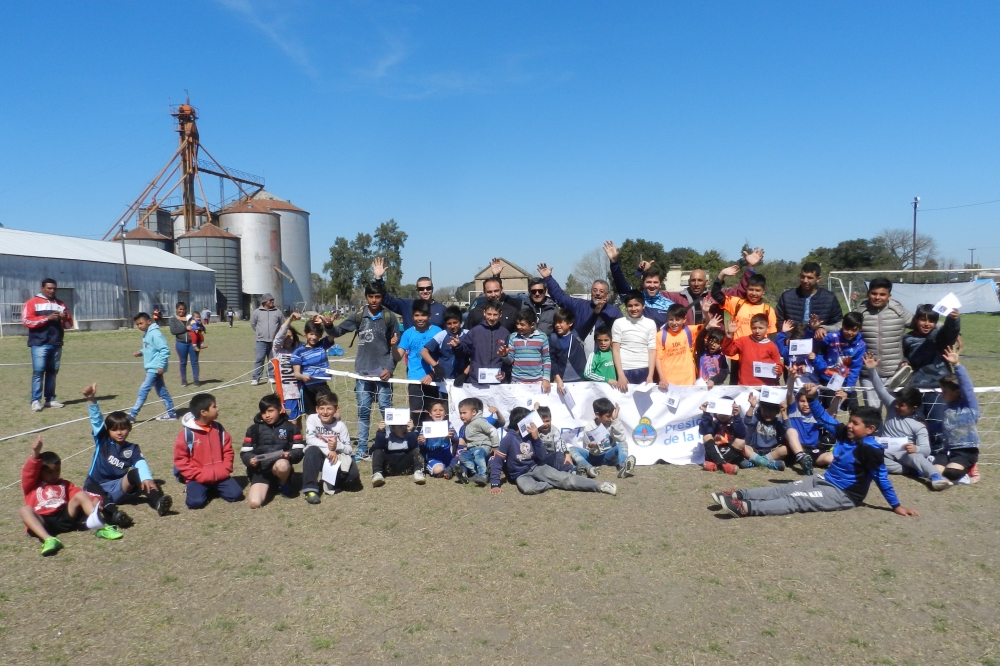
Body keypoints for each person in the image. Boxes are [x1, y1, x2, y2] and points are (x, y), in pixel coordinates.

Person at [714, 406, 919, 519]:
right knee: (783, 489)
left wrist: (896, 506)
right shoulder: (847, 435)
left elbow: (882, 478)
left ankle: (745, 508)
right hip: (825, 480)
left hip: (844, 494)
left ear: (870, 429)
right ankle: (737, 495)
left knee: (797, 500)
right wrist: (812, 398)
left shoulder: (870, 450)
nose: (849, 425)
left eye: (855, 424)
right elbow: (823, 418)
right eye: (850, 421)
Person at [604, 241, 765, 326]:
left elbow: (742, 291)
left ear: (706, 282)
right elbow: (642, 293)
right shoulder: (673, 298)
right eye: (693, 280)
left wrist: (750, 267)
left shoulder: (716, 296)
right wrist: (639, 272)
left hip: (709, 344)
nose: (696, 283)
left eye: (700, 280)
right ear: (688, 282)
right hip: (683, 343)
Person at [326, 282, 400, 459]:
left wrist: (389, 368)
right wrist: (329, 326)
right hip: (363, 373)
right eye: (371, 297)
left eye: (378, 297)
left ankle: (392, 444)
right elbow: (338, 331)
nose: (374, 300)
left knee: (386, 409)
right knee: (364, 410)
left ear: (382, 297)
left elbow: (396, 348)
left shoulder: (390, 317)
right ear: (366, 297)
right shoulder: (359, 315)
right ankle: (362, 449)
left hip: (383, 373)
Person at [82, 382, 172, 526]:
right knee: (92, 486)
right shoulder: (102, 440)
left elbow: (140, 463)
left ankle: (158, 502)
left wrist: (147, 478)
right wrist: (91, 399)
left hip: (118, 489)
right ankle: (114, 514)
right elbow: (96, 420)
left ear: (129, 428)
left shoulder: (132, 448)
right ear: (108, 431)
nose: (119, 432)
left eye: (123, 429)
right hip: (96, 487)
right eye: (114, 429)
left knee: (136, 473)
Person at [20, 435, 121, 556]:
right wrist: (36, 453)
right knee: (24, 510)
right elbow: (28, 472)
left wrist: (95, 500)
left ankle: (102, 527)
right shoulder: (32, 485)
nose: (54, 475)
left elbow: (81, 495)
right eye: (49, 472)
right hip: (43, 520)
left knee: (80, 494)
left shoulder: (64, 484)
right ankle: (49, 539)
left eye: (57, 470)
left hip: (64, 516)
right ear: (40, 472)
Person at [861, 353, 948, 489]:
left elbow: (926, 449)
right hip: (885, 451)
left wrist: (916, 448)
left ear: (913, 408)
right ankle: (911, 470)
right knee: (871, 458)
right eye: (897, 402)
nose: (896, 406)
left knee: (917, 458)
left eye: (901, 405)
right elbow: (880, 389)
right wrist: (871, 370)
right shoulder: (892, 406)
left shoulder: (919, 425)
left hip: (905, 454)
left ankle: (935, 476)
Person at [490, 407, 618, 496]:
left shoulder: (532, 435)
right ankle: (552, 483)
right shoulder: (509, 438)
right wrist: (495, 483)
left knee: (565, 479)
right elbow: (498, 461)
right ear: (521, 423)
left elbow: (541, 456)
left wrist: (536, 439)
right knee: (528, 489)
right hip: (520, 474)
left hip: (536, 467)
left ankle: (600, 486)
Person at [903, 305, 961, 449]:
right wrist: (903, 362)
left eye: (931, 320)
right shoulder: (907, 338)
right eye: (923, 320)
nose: (927, 324)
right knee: (917, 423)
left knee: (937, 424)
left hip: (938, 389)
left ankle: (939, 454)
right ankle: (919, 454)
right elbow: (903, 356)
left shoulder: (939, 336)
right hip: (915, 389)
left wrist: (953, 320)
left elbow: (951, 332)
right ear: (916, 320)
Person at [173, 393, 243, 509]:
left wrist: (225, 468)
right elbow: (181, 459)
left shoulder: (219, 429)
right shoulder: (186, 434)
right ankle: (196, 489)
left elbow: (228, 450)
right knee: (195, 503)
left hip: (220, 475)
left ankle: (211, 489)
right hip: (198, 478)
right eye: (214, 406)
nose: (217, 409)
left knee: (236, 495)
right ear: (203, 412)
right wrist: (197, 475)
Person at [852, 278, 912, 408]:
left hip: (895, 373)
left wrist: (952, 329)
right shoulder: (860, 312)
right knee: (872, 415)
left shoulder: (899, 311)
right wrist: (822, 328)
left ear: (889, 296)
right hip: (868, 374)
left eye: (882, 294)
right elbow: (843, 326)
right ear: (868, 294)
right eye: (874, 293)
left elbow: (922, 323)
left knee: (896, 412)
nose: (877, 297)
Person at [240, 394, 305, 508]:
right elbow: (245, 451)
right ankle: (267, 485)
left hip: (279, 466)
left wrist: (289, 455)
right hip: (260, 471)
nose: (267, 415)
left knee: (283, 465)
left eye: (270, 411)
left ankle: (284, 484)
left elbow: (299, 449)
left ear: (280, 410)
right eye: (264, 412)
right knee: (254, 503)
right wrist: (250, 460)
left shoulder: (291, 428)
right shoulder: (253, 429)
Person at [712, 271, 776, 384]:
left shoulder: (768, 310)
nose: (754, 293)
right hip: (738, 356)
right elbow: (716, 294)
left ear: (763, 291)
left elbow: (772, 336)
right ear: (746, 289)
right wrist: (721, 275)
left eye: (757, 290)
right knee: (737, 390)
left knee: (758, 389)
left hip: (759, 358)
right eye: (751, 289)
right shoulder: (737, 304)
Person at [933, 346, 982, 485]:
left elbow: (967, 386)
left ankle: (969, 471)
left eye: (945, 391)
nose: (941, 394)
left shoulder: (969, 405)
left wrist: (956, 365)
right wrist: (927, 426)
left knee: (951, 474)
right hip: (948, 449)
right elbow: (945, 427)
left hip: (966, 450)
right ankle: (950, 468)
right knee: (935, 473)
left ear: (956, 392)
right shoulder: (948, 408)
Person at [22, 277, 73, 412]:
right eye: (49, 288)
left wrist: (65, 317)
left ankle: (50, 399)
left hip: (56, 342)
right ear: (42, 288)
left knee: (52, 372)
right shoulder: (32, 303)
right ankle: (35, 401)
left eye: (54, 288)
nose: (52, 290)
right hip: (39, 343)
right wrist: (47, 318)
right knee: (38, 372)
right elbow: (26, 321)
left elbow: (69, 325)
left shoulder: (61, 304)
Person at [536, 262, 622, 339]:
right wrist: (548, 278)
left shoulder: (614, 312)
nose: (597, 293)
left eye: (601, 291)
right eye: (595, 290)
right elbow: (561, 297)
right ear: (591, 292)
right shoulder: (579, 305)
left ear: (607, 295)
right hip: (581, 353)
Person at [302, 392, 358, 503]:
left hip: (335, 458)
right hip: (318, 456)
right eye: (321, 408)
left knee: (353, 475)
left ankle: (331, 481)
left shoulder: (340, 426)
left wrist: (338, 446)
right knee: (311, 450)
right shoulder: (312, 419)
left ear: (336, 410)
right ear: (316, 409)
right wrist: (328, 450)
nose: (325, 412)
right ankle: (310, 489)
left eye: (329, 409)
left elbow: (349, 449)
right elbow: (310, 439)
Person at [395, 300, 443, 426]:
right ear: (412, 316)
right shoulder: (408, 333)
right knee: (415, 414)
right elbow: (398, 356)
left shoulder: (438, 332)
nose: (420, 318)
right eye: (417, 315)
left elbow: (442, 357)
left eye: (423, 315)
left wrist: (432, 374)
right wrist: (393, 346)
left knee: (432, 414)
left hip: (433, 380)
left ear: (429, 316)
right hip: (415, 381)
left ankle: (431, 443)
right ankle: (416, 441)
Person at [742, 392, 810, 473]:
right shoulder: (757, 418)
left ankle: (755, 462)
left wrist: (783, 412)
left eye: (771, 411)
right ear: (761, 410)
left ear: (777, 411)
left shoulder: (778, 421)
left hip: (772, 452)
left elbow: (788, 428)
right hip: (755, 449)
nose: (767, 414)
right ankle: (768, 463)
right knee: (743, 446)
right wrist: (752, 406)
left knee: (785, 449)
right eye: (765, 410)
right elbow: (747, 421)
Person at [783, 377, 842, 471]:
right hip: (794, 447)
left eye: (808, 401)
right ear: (797, 401)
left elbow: (830, 412)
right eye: (802, 401)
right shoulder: (794, 409)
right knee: (790, 431)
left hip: (812, 449)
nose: (806, 404)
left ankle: (807, 462)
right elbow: (789, 392)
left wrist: (837, 399)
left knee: (830, 457)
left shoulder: (817, 414)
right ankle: (800, 457)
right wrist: (791, 378)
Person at [371, 257, 446, 328]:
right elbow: (387, 300)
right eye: (421, 289)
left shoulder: (442, 309)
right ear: (417, 290)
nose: (425, 291)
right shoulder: (407, 305)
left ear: (432, 289)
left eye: (428, 288)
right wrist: (379, 279)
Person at [775, 262, 844, 339]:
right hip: (792, 342)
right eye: (802, 276)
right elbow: (778, 320)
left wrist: (823, 328)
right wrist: (788, 338)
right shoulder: (787, 296)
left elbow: (838, 323)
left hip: (819, 344)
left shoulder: (829, 298)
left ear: (818, 279)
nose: (805, 280)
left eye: (809, 278)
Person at [570, 398, 636, 478]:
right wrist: (593, 447)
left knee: (623, 443)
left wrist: (615, 421)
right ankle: (589, 468)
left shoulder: (613, 423)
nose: (610, 418)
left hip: (609, 455)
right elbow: (593, 451)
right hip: (594, 456)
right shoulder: (589, 427)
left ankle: (623, 465)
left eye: (611, 415)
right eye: (608, 416)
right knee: (572, 449)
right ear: (597, 415)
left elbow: (621, 439)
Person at [129, 313, 176, 422]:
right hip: (153, 367)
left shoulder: (155, 334)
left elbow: (164, 350)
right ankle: (172, 412)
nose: (139, 326)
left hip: (155, 368)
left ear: (149, 321)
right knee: (161, 391)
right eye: (137, 324)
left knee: (143, 390)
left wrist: (160, 366)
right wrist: (141, 352)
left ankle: (132, 414)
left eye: (141, 323)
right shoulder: (147, 334)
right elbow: (151, 349)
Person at [814, 311, 866, 408]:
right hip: (829, 379)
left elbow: (855, 369)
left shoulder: (861, 345)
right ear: (842, 325)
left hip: (847, 381)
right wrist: (813, 329)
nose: (850, 332)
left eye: (854, 330)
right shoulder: (832, 337)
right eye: (847, 328)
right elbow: (815, 343)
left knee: (854, 408)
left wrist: (848, 390)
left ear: (860, 329)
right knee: (830, 408)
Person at [656, 304, 714, 387]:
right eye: (671, 319)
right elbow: (658, 359)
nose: (674, 323)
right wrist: (662, 378)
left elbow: (708, 325)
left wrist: (705, 313)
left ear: (684, 319)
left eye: (677, 319)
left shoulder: (690, 331)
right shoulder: (660, 335)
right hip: (668, 381)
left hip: (689, 380)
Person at [610, 290, 657, 391]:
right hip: (625, 370)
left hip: (644, 369)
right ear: (626, 307)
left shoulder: (651, 324)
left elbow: (652, 351)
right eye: (630, 306)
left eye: (637, 305)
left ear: (643, 306)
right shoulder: (618, 323)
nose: (633, 308)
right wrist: (620, 374)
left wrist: (650, 375)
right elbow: (615, 350)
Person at [291, 316, 338, 415]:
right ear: (305, 333)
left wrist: (328, 325)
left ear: (320, 335)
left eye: (317, 335)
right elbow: (296, 374)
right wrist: (302, 376)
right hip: (307, 388)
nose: (314, 337)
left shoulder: (322, 345)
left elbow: (334, 334)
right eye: (311, 334)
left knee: (329, 412)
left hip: (322, 386)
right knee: (311, 415)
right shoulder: (298, 352)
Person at [458, 300, 511, 384]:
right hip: (477, 380)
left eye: (495, 315)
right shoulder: (474, 331)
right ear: (484, 313)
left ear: (500, 314)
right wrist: (458, 345)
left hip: (497, 380)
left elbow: (510, 358)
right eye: (489, 314)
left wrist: (504, 371)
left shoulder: (505, 333)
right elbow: (464, 351)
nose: (492, 318)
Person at [721, 315, 783, 386]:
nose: (757, 331)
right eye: (754, 328)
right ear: (750, 327)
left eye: (760, 328)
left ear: (767, 328)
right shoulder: (743, 341)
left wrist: (777, 370)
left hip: (765, 385)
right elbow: (728, 351)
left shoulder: (772, 346)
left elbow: (778, 366)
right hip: (745, 385)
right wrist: (730, 335)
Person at [500, 308, 551, 391]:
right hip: (517, 382)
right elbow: (510, 360)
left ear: (532, 325)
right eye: (517, 323)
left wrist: (546, 379)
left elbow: (546, 359)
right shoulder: (513, 337)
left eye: (522, 324)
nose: (518, 326)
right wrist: (505, 355)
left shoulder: (542, 337)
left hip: (537, 382)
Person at [454, 398, 500, 486]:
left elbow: (493, 430)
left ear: (474, 412)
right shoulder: (467, 424)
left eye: (464, 413)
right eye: (460, 413)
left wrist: (495, 446)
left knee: (478, 454)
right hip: (472, 448)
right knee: (463, 457)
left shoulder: (479, 422)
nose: (462, 416)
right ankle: (475, 474)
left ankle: (483, 476)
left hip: (483, 447)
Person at [421, 306, 470, 385]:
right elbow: (424, 352)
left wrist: (464, 374)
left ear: (461, 321)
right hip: (445, 380)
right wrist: (436, 366)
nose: (452, 326)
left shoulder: (468, 334)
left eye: (455, 322)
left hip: (465, 380)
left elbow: (475, 357)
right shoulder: (442, 335)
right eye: (449, 324)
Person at [699, 401, 749, 474]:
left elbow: (741, 435)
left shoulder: (734, 422)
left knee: (741, 442)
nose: (722, 415)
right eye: (720, 412)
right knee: (706, 436)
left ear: (732, 413)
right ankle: (723, 465)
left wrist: (737, 417)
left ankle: (717, 465)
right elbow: (704, 430)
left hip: (731, 454)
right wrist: (706, 414)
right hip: (715, 454)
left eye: (725, 412)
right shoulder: (714, 422)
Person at [371, 419, 424, 486]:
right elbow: (379, 446)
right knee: (377, 452)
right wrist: (380, 432)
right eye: (400, 427)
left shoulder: (410, 434)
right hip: (389, 467)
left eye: (405, 426)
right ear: (392, 428)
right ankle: (377, 473)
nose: (404, 428)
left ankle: (418, 472)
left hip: (406, 466)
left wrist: (410, 431)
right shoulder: (387, 436)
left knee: (416, 450)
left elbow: (413, 446)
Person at [272, 312, 305, 418]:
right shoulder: (278, 351)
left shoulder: (299, 348)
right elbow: (278, 337)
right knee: (293, 421)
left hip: (303, 391)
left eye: (290, 336)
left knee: (305, 419)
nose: (287, 339)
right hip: (288, 394)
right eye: (285, 337)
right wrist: (290, 319)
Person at [550, 308, 587, 394]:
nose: (557, 325)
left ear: (570, 323)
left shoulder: (577, 334)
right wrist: (557, 378)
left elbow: (590, 322)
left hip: (580, 378)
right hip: (562, 380)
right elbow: (552, 359)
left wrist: (596, 312)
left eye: (560, 322)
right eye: (556, 322)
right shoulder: (553, 337)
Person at [418, 401, 458, 478]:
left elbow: (456, 440)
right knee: (438, 470)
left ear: (445, 413)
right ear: (430, 413)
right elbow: (421, 446)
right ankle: (429, 466)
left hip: (447, 455)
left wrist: (452, 437)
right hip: (433, 457)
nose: (438, 413)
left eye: (441, 410)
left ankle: (449, 469)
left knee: (460, 461)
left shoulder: (448, 425)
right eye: (435, 410)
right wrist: (421, 442)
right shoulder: (427, 426)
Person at [250, 293, 283, 385]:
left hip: (274, 341)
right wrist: (259, 332)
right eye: (270, 300)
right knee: (259, 359)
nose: (272, 301)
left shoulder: (278, 312)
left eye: (273, 300)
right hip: (261, 341)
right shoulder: (257, 312)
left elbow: (282, 324)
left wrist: (278, 335)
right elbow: (253, 324)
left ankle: (271, 376)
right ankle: (256, 378)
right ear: (264, 302)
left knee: (272, 359)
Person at [169, 302, 201, 387]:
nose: (182, 311)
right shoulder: (173, 319)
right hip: (181, 343)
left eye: (183, 309)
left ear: (186, 310)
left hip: (193, 343)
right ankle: (184, 380)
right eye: (180, 309)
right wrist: (185, 328)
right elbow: (173, 331)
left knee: (194, 362)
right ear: (176, 309)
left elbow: (198, 324)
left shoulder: (190, 318)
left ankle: (196, 380)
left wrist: (198, 327)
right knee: (183, 362)